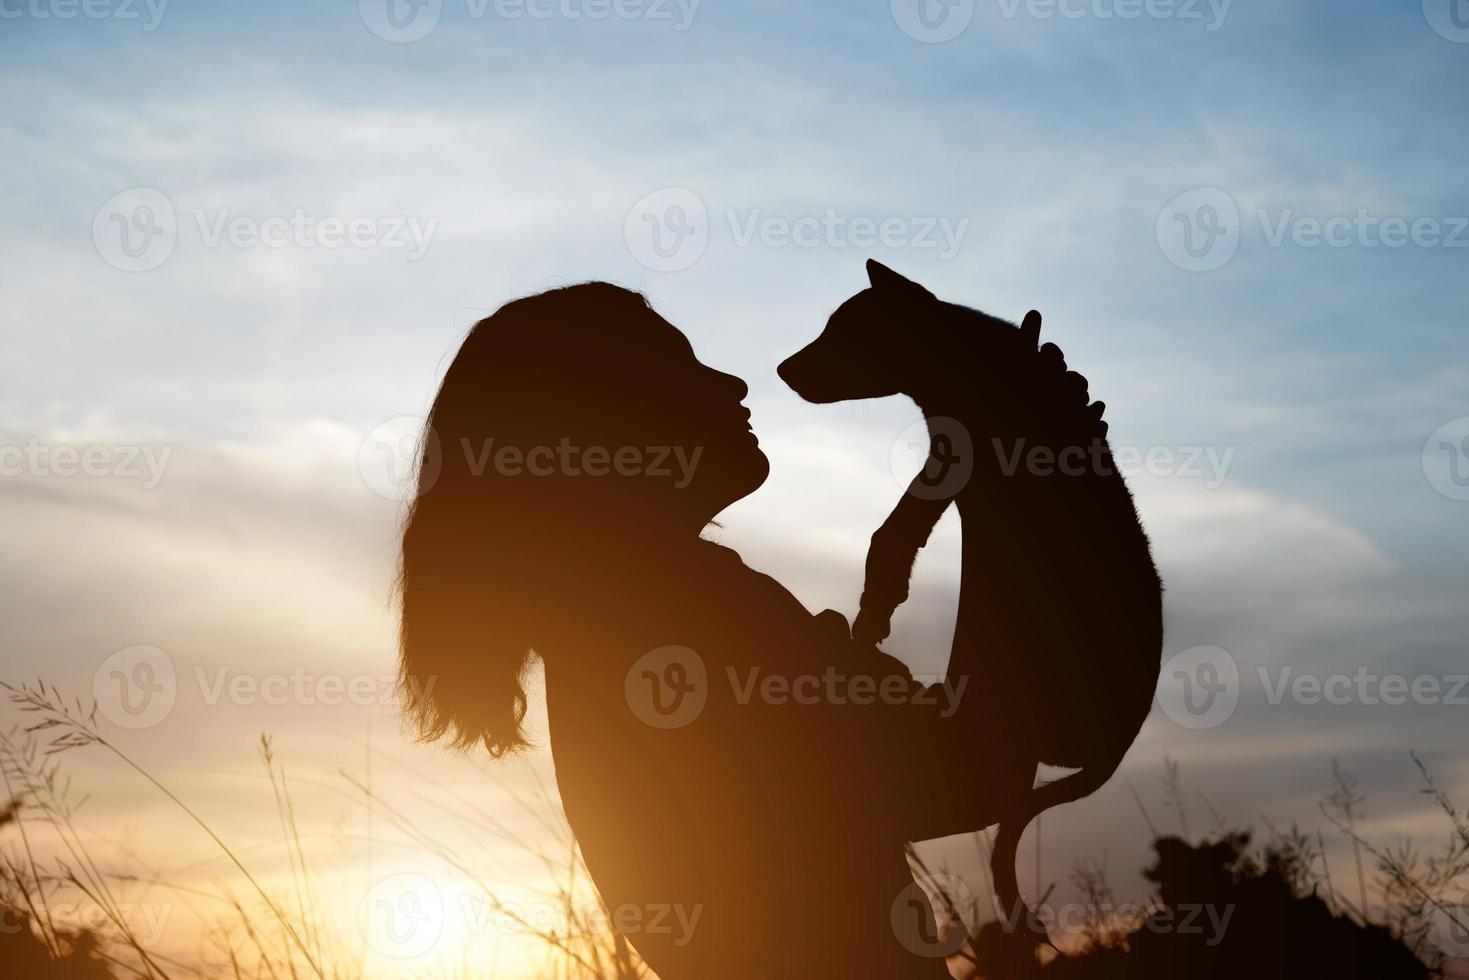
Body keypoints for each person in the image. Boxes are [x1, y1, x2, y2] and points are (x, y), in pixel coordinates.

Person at [396, 282, 1026, 977]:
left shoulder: (622, 629)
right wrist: (1010, 472)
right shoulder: (681, 618)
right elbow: (972, 765)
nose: (730, 383)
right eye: (683, 366)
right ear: (612, 419)